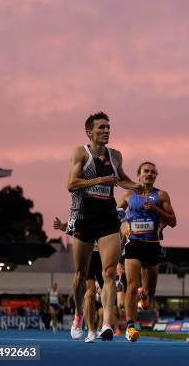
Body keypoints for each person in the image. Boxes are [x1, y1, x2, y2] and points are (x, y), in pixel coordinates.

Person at [66, 111, 142, 341]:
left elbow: (121, 179)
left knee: (109, 272)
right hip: (83, 216)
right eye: (101, 127)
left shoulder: (115, 155)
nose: (106, 131)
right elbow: (71, 184)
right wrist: (100, 180)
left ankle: (107, 324)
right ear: (90, 132)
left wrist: (136, 186)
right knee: (80, 275)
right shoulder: (81, 152)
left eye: (108, 127)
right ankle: (79, 314)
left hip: (108, 218)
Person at [118, 161, 177, 342]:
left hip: (152, 245)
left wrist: (157, 210)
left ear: (155, 175)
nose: (149, 174)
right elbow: (118, 212)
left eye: (153, 172)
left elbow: (173, 221)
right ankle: (130, 326)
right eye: (146, 171)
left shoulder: (161, 195)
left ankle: (145, 296)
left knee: (149, 290)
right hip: (133, 244)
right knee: (132, 285)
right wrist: (119, 218)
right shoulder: (129, 194)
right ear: (139, 174)